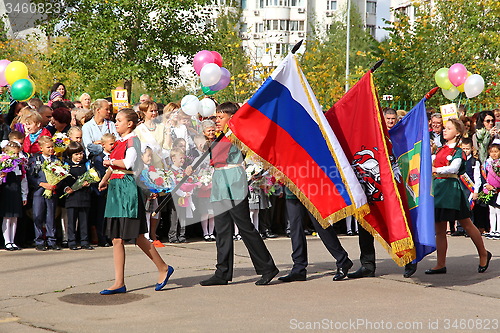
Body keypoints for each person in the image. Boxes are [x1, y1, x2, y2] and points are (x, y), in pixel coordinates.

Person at [199, 102, 278, 286]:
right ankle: (222, 271)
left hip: (232, 180)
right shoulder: (220, 136)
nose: (216, 120)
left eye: (220, 117)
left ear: (232, 118)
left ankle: (267, 267)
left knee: (244, 226)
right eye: (216, 117)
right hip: (219, 180)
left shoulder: (237, 135)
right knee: (222, 229)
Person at [97, 108, 173, 294]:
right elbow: (115, 162)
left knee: (137, 236)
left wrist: (108, 163)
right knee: (116, 238)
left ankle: (163, 268)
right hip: (116, 190)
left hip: (127, 190)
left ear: (129, 124)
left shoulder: (133, 140)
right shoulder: (120, 141)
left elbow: (127, 163)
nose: (116, 123)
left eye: (119, 120)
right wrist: (104, 180)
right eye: (115, 120)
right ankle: (119, 282)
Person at [426, 118, 491, 274]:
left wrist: (436, 170)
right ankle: (440, 264)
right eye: (444, 128)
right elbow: (430, 163)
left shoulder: (458, 151)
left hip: (452, 191)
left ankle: (483, 253)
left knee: (467, 224)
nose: (444, 130)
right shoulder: (439, 149)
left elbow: (454, 168)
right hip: (438, 191)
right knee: (440, 229)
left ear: (458, 133)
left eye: (448, 128)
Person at [279, 187, 353, 282]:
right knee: (295, 229)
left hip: (311, 189)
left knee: (321, 226)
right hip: (292, 191)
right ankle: (299, 268)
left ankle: (343, 260)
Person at [27, 136, 60, 251]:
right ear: (41, 148)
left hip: (51, 191)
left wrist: (55, 184)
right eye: (48, 147)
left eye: (52, 147)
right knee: (38, 215)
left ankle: (52, 240)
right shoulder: (34, 160)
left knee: (50, 216)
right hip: (39, 191)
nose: (51, 149)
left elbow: (61, 175)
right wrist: (41, 183)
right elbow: (30, 176)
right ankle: (39, 240)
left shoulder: (56, 160)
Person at [62, 141, 94, 250]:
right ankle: (71, 241)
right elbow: (63, 180)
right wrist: (67, 188)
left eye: (81, 153)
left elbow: (91, 176)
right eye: (76, 154)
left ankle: (84, 241)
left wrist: (88, 182)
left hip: (84, 195)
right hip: (71, 196)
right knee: (71, 220)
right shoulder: (66, 165)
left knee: (84, 220)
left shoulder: (87, 164)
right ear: (71, 155)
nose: (79, 156)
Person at [1, 141, 28, 251]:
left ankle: (12, 240)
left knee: (14, 217)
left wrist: (24, 195)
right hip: (6, 192)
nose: (16, 156)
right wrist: (2, 176)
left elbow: (23, 181)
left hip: (16, 192)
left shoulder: (19, 166)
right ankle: (7, 241)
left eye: (17, 154)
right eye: (13, 154)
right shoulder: (3, 165)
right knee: (7, 217)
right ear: (6, 153)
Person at [482, 142, 500, 240]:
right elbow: (485, 176)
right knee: (491, 210)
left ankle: (499, 230)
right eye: (492, 152)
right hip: (490, 189)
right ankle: (492, 229)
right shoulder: (487, 163)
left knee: (498, 210)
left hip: (498, 190)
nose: (494, 154)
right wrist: (487, 185)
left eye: (496, 152)